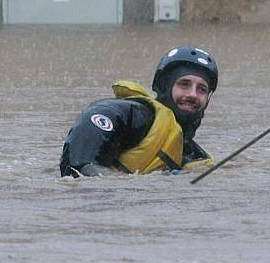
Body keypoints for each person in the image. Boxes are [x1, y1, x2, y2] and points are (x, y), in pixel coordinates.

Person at [60, 46, 218, 177]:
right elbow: (79, 161)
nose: (192, 94)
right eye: (184, 84)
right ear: (164, 87)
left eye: (202, 89)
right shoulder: (133, 114)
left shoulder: (195, 156)